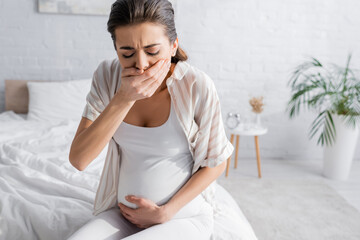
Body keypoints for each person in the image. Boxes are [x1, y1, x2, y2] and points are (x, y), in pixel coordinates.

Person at [68, 0, 237, 239]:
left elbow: (217, 161)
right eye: (127, 53)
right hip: (124, 215)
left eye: (152, 51)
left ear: (172, 45)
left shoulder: (196, 85)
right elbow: (79, 160)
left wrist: (165, 212)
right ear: (116, 49)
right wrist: (123, 98)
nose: (141, 64)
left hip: (181, 217)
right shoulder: (107, 76)